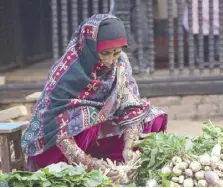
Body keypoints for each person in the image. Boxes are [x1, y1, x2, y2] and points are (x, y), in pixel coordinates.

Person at [21, 14, 167, 181]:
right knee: (88, 115)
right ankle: (83, 168)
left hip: (97, 137)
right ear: (91, 47)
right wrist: (90, 163)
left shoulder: (120, 63)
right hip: (56, 145)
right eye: (105, 53)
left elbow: (130, 104)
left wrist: (129, 146)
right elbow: (54, 126)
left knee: (152, 116)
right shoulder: (67, 71)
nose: (111, 60)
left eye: (116, 53)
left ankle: (118, 162)